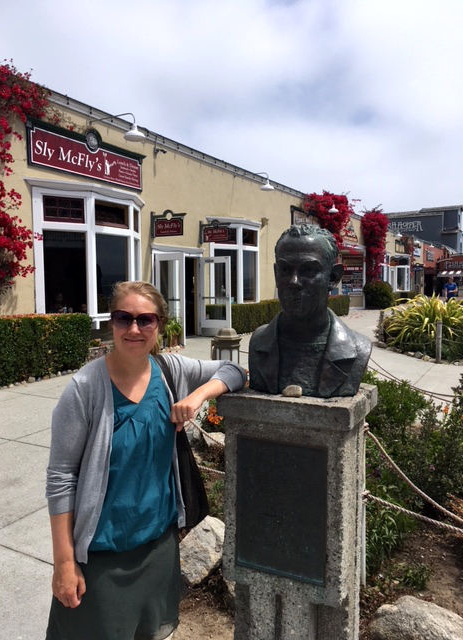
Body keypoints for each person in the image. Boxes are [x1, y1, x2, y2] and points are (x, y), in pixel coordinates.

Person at [45, 281, 247, 640]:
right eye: (124, 318)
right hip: (102, 558)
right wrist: (64, 562)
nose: (134, 329)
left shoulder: (170, 371)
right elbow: (61, 478)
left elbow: (235, 372)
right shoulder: (85, 389)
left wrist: (198, 395)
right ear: (112, 323)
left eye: (145, 320)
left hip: (157, 547)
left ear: (160, 325)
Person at [249, 224, 371, 397]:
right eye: (285, 269)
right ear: (276, 274)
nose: (294, 282)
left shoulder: (358, 347)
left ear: (333, 278)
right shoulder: (259, 341)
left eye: (308, 270)